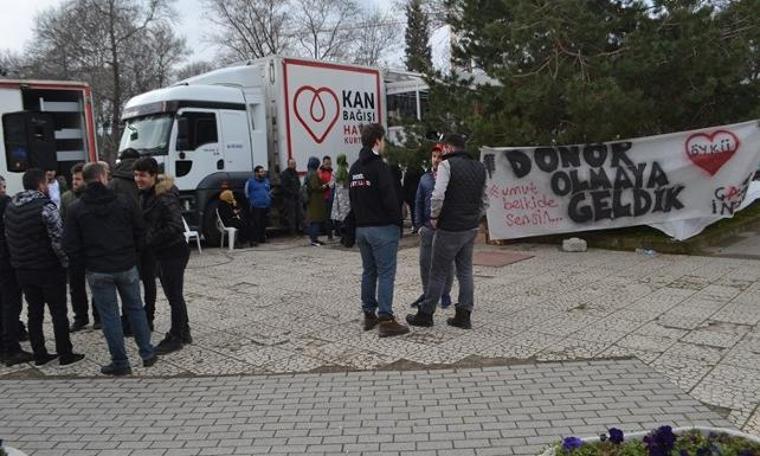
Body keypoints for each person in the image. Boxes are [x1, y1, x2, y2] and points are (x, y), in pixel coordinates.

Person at [63, 162, 157, 376]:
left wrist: (84, 263)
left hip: (98, 268)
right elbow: (139, 229)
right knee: (135, 308)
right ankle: (147, 352)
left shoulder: (76, 208)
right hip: (126, 264)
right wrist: (134, 254)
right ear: (103, 177)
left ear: (85, 180)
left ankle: (120, 362)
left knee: (110, 316)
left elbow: (69, 243)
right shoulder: (123, 202)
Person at [406, 134, 488, 330]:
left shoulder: (446, 165)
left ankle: (426, 314)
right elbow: (485, 201)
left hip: (449, 227)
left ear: (449, 148)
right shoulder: (480, 167)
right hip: (470, 228)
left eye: (443, 149)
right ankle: (464, 315)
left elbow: (437, 195)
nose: (441, 153)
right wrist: (474, 218)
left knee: (437, 271)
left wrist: (434, 218)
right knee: (465, 271)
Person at [4, 168, 84, 366]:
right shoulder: (46, 207)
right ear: (41, 184)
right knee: (58, 311)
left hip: (22, 269)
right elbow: (58, 239)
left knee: (34, 312)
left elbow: (9, 237)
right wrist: (65, 262)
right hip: (48, 268)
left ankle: (39, 354)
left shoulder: (12, 207)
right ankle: (65, 353)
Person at [348, 124, 409, 337]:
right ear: (377, 141)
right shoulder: (380, 167)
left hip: (362, 229)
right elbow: (390, 200)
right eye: (383, 140)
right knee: (385, 273)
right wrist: (397, 222)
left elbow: (352, 200)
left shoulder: (354, 168)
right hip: (382, 228)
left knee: (369, 271)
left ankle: (369, 314)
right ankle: (386, 319)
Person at [134, 157, 191, 354]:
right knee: (174, 294)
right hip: (161, 251)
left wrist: (149, 239)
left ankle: (176, 337)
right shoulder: (146, 194)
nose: (138, 179)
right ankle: (184, 331)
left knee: (174, 296)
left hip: (173, 251)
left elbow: (175, 226)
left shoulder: (163, 195)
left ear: (153, 175)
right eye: (135, 175)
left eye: (142, 175)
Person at [109, 148, 148, 333]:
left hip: (123, 239)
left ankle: (127, 323)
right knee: (145, 281)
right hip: (145, 236)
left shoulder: (114, 182)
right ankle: (147, 319)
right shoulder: (143, 178)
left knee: (127, 285)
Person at [411, 146, 454, 309]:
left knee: (447, 263)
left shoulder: (450, 178)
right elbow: (418, 202)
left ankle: (445, 293)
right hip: (427, 228)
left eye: (439, 157)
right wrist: (419, 225)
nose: (436, 159)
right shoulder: (425, 179)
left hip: (445, 228)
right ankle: (427, 293)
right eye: (434, 156)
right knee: (424, 262)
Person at [0, 175, 34, 366]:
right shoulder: (6, 203)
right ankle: (11, 348)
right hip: (7, 263)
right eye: (3, 186)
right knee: (11, 305)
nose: (5, 190)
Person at [61, 163, 97, 332]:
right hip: (74, 250)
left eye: (78, 179)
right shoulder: (67, 197)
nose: (74, 182)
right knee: (76, 286)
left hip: (91, 248)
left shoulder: (93, 197)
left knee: (96, 283)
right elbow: (62, 222)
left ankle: (99, 317)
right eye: (73, 178)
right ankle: (80, 317)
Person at [244, 166, 271, 246]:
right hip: (256, 206)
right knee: (255, 223)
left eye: (263, 171)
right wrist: (251, 201)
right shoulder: (250, 182)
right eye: (261, 172)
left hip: (265, 205)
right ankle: (253, 240)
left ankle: (262, 238)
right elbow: (246, 193)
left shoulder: (266, 181)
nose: (263, 173)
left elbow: (268, 190)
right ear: (256, 173)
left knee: (263, 223)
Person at [306, 157, 328, 246]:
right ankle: (314, 240)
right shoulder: (313, 174)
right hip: (315, 201)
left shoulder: (309, 173)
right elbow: (315, 187)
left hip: (313, 200)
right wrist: (325, 186)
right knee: (315, 221)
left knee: (313, 220)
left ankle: (314, 239)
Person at [330, 154, 351, 239]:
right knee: (348, 216)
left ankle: (341, 235)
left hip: (339, 197)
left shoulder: (335, 172)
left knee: (339, 217)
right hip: (348, 196)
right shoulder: (348, 170)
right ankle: (349, 234)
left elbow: (331, 185)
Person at [280, 159, 302, 235]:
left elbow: (298, 183)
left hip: (296, 197)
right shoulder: (285, 174)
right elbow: (284, 187)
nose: (294, 165)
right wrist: (292, 193)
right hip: (289, 198)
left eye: (294, 163)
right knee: (291, 216)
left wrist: (297, 192)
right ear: (288, 164)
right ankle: (293, 232)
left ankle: (298, 230)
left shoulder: (295, 173)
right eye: (292, 164)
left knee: (298, 215)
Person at [403, 164, 425, 233]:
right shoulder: (421, 170)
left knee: (413, 210)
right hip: (419, 192)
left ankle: (414, 224)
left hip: (411, 194)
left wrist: (405, 195)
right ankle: (420, 224)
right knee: (420, 209)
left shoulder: (408, 171)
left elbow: (405, 184)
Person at [319, 156, 335, 240]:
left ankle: (336, 232)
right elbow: (319, 185)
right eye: (326, 163)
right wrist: (327, 185)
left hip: (333, 196)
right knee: (328, 217)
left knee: (334, 216)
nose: (328, 165)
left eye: (329, 163)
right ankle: (329, 235)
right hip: (325, 197)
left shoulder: (332, 171)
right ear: (323, 163)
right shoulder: (320, 172)